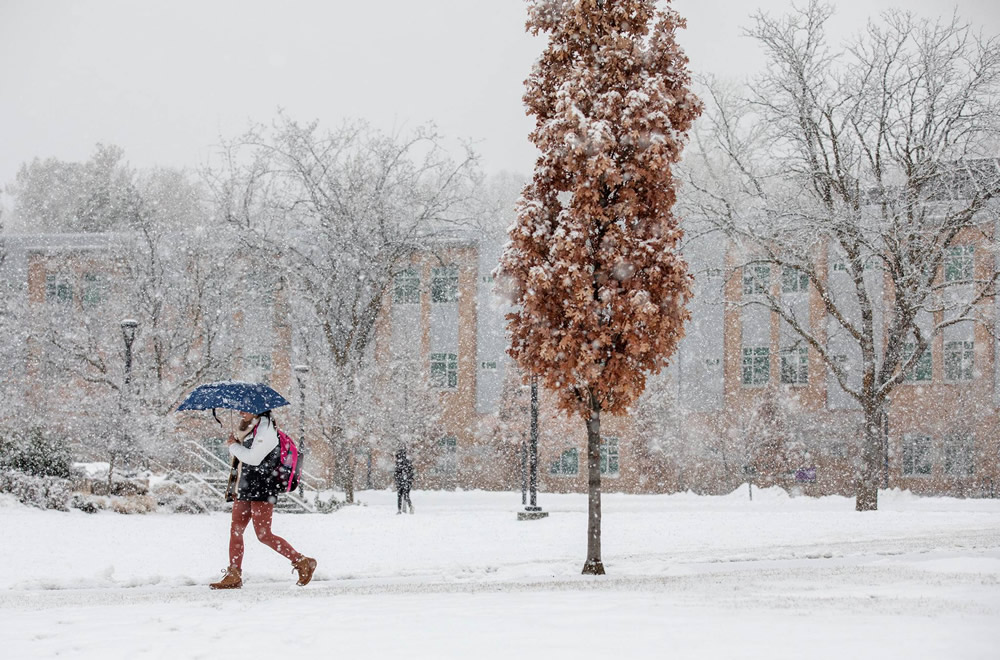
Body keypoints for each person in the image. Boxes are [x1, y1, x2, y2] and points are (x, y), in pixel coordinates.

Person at [210, 409, 317, 590]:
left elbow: (253, 458)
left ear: (258, 410)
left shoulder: (267, 430)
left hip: (263, 486)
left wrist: (233, 446)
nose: (240, 412)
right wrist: (236, 443)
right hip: (246, 484)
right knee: (236, 529)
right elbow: (245, 457)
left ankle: (302, 561)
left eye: (245, 409)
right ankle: (234, 574)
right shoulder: (251, 429)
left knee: (263, 534)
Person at [394, 446, 415, 514]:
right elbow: (411, 473)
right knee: (404, 495)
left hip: (403, 482)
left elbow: (396, 473)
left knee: (401, 495)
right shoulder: (406, 463)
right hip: (405, 482)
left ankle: (402, 509)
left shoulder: (400, 463)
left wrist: (399, 479)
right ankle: (407, 507)